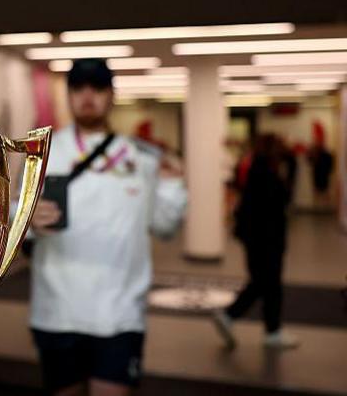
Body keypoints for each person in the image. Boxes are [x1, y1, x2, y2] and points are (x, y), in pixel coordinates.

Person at [27, 58, 187, 396]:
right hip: (58, 309)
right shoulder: (43, 152)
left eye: (98, 88)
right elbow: (13, 221)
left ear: (112, 95)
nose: (88, 96)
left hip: (120, 311)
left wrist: (173, 187)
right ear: (68, 95)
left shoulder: (141, 158)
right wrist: (27, 219)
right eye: (78, 88)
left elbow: (166, 226)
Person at [212, 133, 300, 350]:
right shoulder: (267, 174)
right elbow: (282, 201)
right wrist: (291, 170)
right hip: (266, 239)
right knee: (266, 283)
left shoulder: (255, 168)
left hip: (255, 238)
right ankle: (232, 316)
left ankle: (271, 330)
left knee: (266, 283)